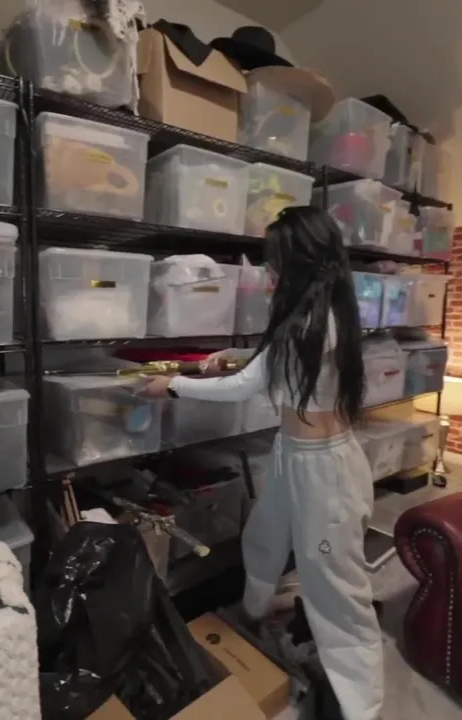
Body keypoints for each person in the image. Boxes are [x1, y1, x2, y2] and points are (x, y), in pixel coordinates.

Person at [140, 206, 382, 720]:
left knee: (335, 588)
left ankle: (361, 703)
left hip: (324, 471)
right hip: (295, 454)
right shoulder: (315, 314)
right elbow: (277, 367)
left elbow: (245, 388)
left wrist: (173, 385)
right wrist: (235, 357)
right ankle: (251, 617)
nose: (269, 272)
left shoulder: (313, 321)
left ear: (302, 260)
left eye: (276, 260)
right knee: (264, 539)